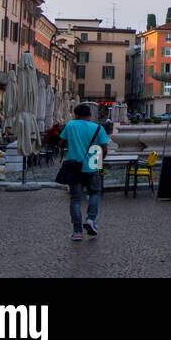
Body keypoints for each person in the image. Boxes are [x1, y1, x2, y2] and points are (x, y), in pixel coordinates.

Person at [58, 103, 109, 241]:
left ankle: (77, 232)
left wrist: (72, 144)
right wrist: (99, 163)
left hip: (74, 167)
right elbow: (104, 149)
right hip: (93, 166)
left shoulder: (70, 126)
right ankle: (91, 219)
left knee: (75, 199)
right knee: (94, 193)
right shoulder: (98, 128)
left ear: (76, 115)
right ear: (90, 115)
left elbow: (61, 143)